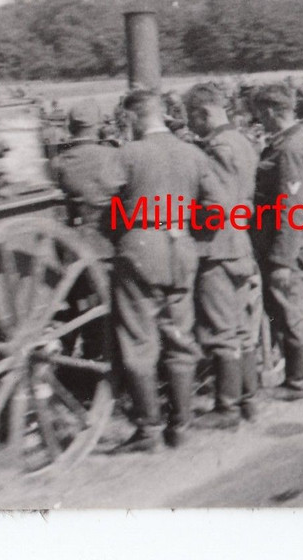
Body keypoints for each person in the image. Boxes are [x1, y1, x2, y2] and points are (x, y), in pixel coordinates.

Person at [111, 89, 226, 452]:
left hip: (140, 249)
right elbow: (218, 206)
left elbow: (102, 201)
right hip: (181, 248)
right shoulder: (193, 153)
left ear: (132, 118)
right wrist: (188, 225)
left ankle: (148, 430)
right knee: (180, 337)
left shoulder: (127, 154)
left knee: (139, 342)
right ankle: (182, 425)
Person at [184, 83, 263, 427]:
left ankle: (226, 409)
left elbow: (217, 206)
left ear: (205, 113)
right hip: (241, 245)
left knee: (221, 331)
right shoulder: (243, 141)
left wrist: (187, 218)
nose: (190, 125)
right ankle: (248, 401)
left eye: (192, 117)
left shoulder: (216, 148)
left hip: (217, 247)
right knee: (243, 328)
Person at [251, 83, 303, 400]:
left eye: (258, 113)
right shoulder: (285, 143)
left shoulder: (291, 148)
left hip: (289, 247)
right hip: (281, 244)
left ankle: (298, 383)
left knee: (288, 312)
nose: (257, 120)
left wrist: (282, 260)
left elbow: (292, 209)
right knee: (283, 310)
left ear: (271, 111)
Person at [52, 99, 123, 260]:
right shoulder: (113, 155)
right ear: (97, 126)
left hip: (78, 242)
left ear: (71, 128)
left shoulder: (60, 162)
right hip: (112, 238)